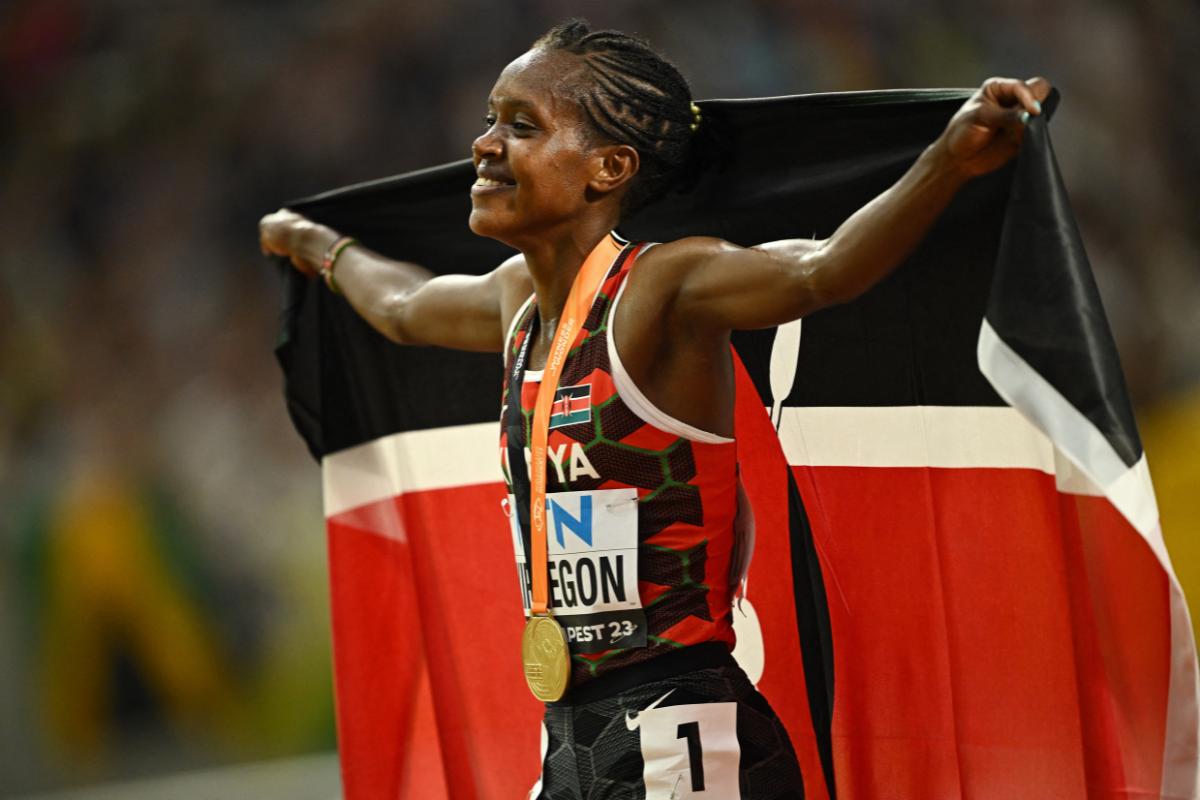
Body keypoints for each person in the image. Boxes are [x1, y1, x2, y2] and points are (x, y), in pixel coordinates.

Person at [260, 19, 1051, 800]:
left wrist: (948, 159)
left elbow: (823, 272)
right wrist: (318, 248)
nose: (486, 145)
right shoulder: (514, 305)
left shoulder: (665, 290)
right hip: (571, 732)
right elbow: (400, 306)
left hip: (683, 734)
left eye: (522, 125)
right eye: (490, 120)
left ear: (608, 166)